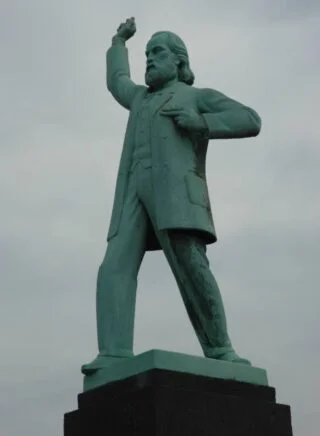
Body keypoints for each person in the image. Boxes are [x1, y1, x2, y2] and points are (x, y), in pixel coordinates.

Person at [82, 17, 261, 375]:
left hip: (176, 196)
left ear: (179, 61)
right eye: (147, 53)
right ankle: (114, 353)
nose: (149, 59)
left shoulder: (196, 96)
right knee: (114, 266)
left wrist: (203, 124)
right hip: (132, 193)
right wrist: (119, 44)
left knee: (191, 267)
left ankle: (221, 349)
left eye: (157, 52)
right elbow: (118, 82)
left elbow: (249, 119)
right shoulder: (139, 98)